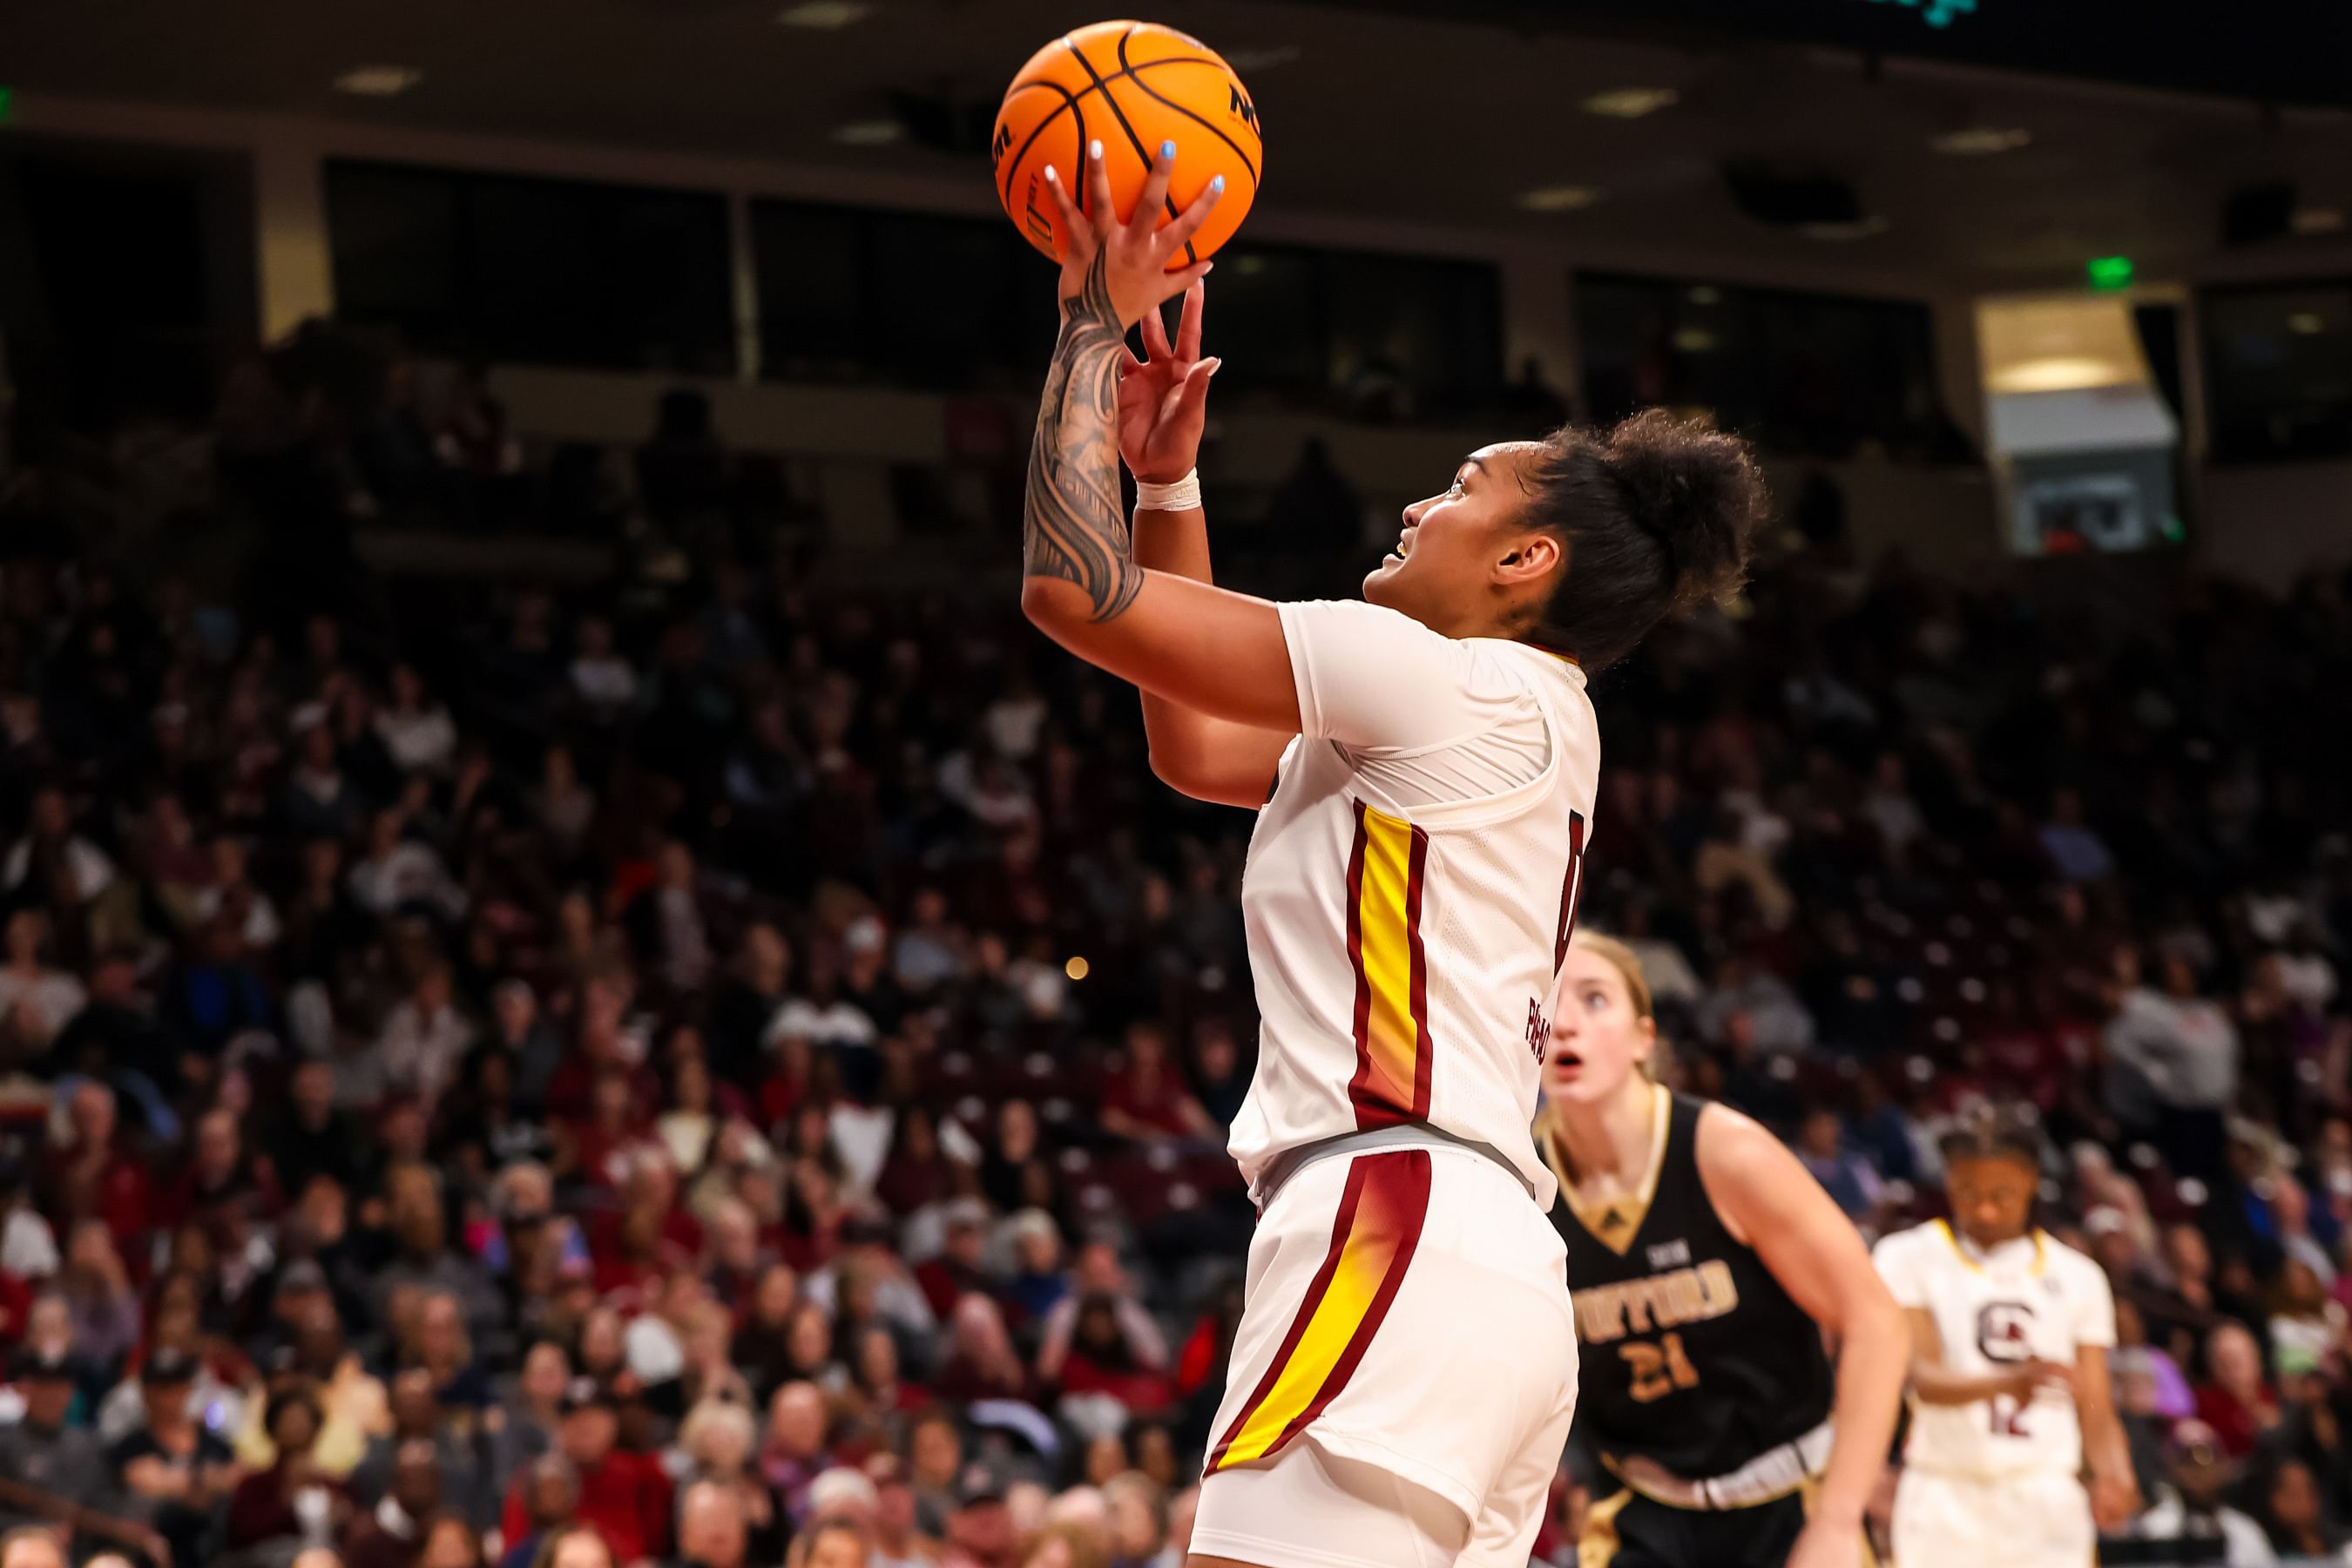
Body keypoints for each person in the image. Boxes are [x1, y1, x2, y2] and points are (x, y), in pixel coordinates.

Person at [1025, 141, 1761, 1568]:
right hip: (1488, 1268)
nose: (1421, 505)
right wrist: (1166, 486)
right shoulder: (1511, 716)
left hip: (1395, 1216)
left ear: (1525, 564)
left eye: (1463, 488)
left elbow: (1069, 589)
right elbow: (1195, 746)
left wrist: (1086, 326)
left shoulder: (1440, 680)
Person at [1536, 933, 1905, 1568]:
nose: (1565, 1022)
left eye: (1594, 1000)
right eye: (1545, 1000)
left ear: (1643, 1039)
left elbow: (1876, 1322)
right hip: (1641, 1509)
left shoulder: (1726, 1153)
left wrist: (1841, 1522)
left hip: (1789, 1501)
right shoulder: (1520, 1183)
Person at [1873, 1105, 2140, 1568]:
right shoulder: (1906, 1256)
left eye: (2003, 1194)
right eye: (1968, 1193)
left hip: (2045, 1488)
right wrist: (2007, 1382)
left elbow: (2095, 1403)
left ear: (2032, 1182)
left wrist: (2114, 1471)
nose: (1985, 1209)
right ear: (1948, 1182)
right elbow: (1923, 1379)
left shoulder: (2078, 1275)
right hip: (1943, 1489)